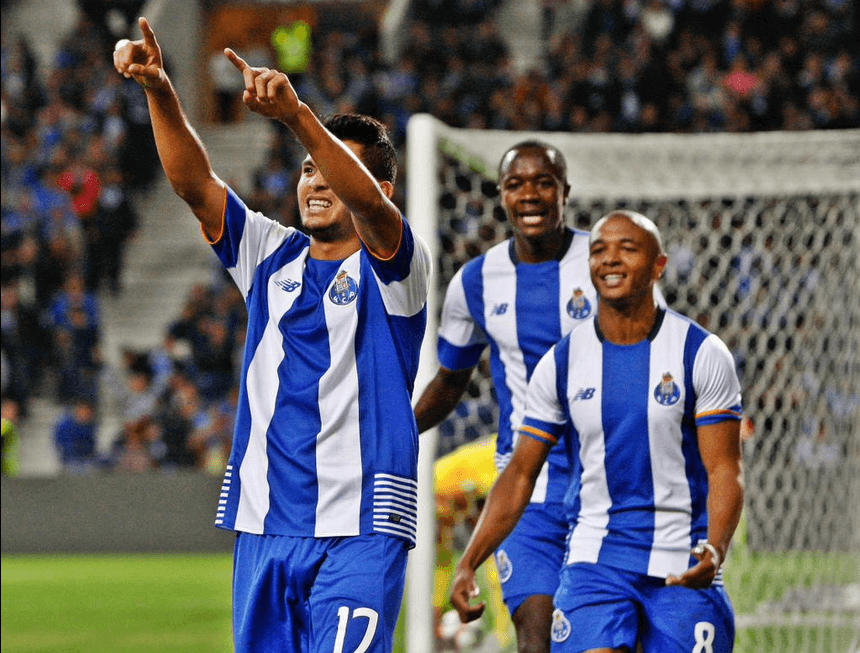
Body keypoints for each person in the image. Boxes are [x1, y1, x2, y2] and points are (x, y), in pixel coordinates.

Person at [114, 17, 431, 653]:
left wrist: (297, 117)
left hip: (361, 525)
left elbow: (368, 209)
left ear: (381, 186)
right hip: (263, 522)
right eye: (308, 170)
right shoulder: (270, 256)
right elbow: (194, 185)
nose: (315, 182)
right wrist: (159, 90)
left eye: (331, 171)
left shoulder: (398, 267)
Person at [450, 211, 744, 652]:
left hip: (682, 557)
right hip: (596, 559)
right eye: (599, 250)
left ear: (658, 266)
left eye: (627, 248)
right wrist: (470, 561)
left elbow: (724, 469)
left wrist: (716, 548)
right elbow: (520, 473)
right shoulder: (562, 362)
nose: (610, 259)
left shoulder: (701, 353)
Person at [415, 142, 661, 652]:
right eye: (516, 184)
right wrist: (391, 431)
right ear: (501, 196)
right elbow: (449, 382)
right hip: (525, 486)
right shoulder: (475, 282)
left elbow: (657, 358)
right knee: (535, 635)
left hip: (608, 484)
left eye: (543, 182)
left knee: (609, 641)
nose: (530, 195)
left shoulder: (610, 259)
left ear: (565, 192)